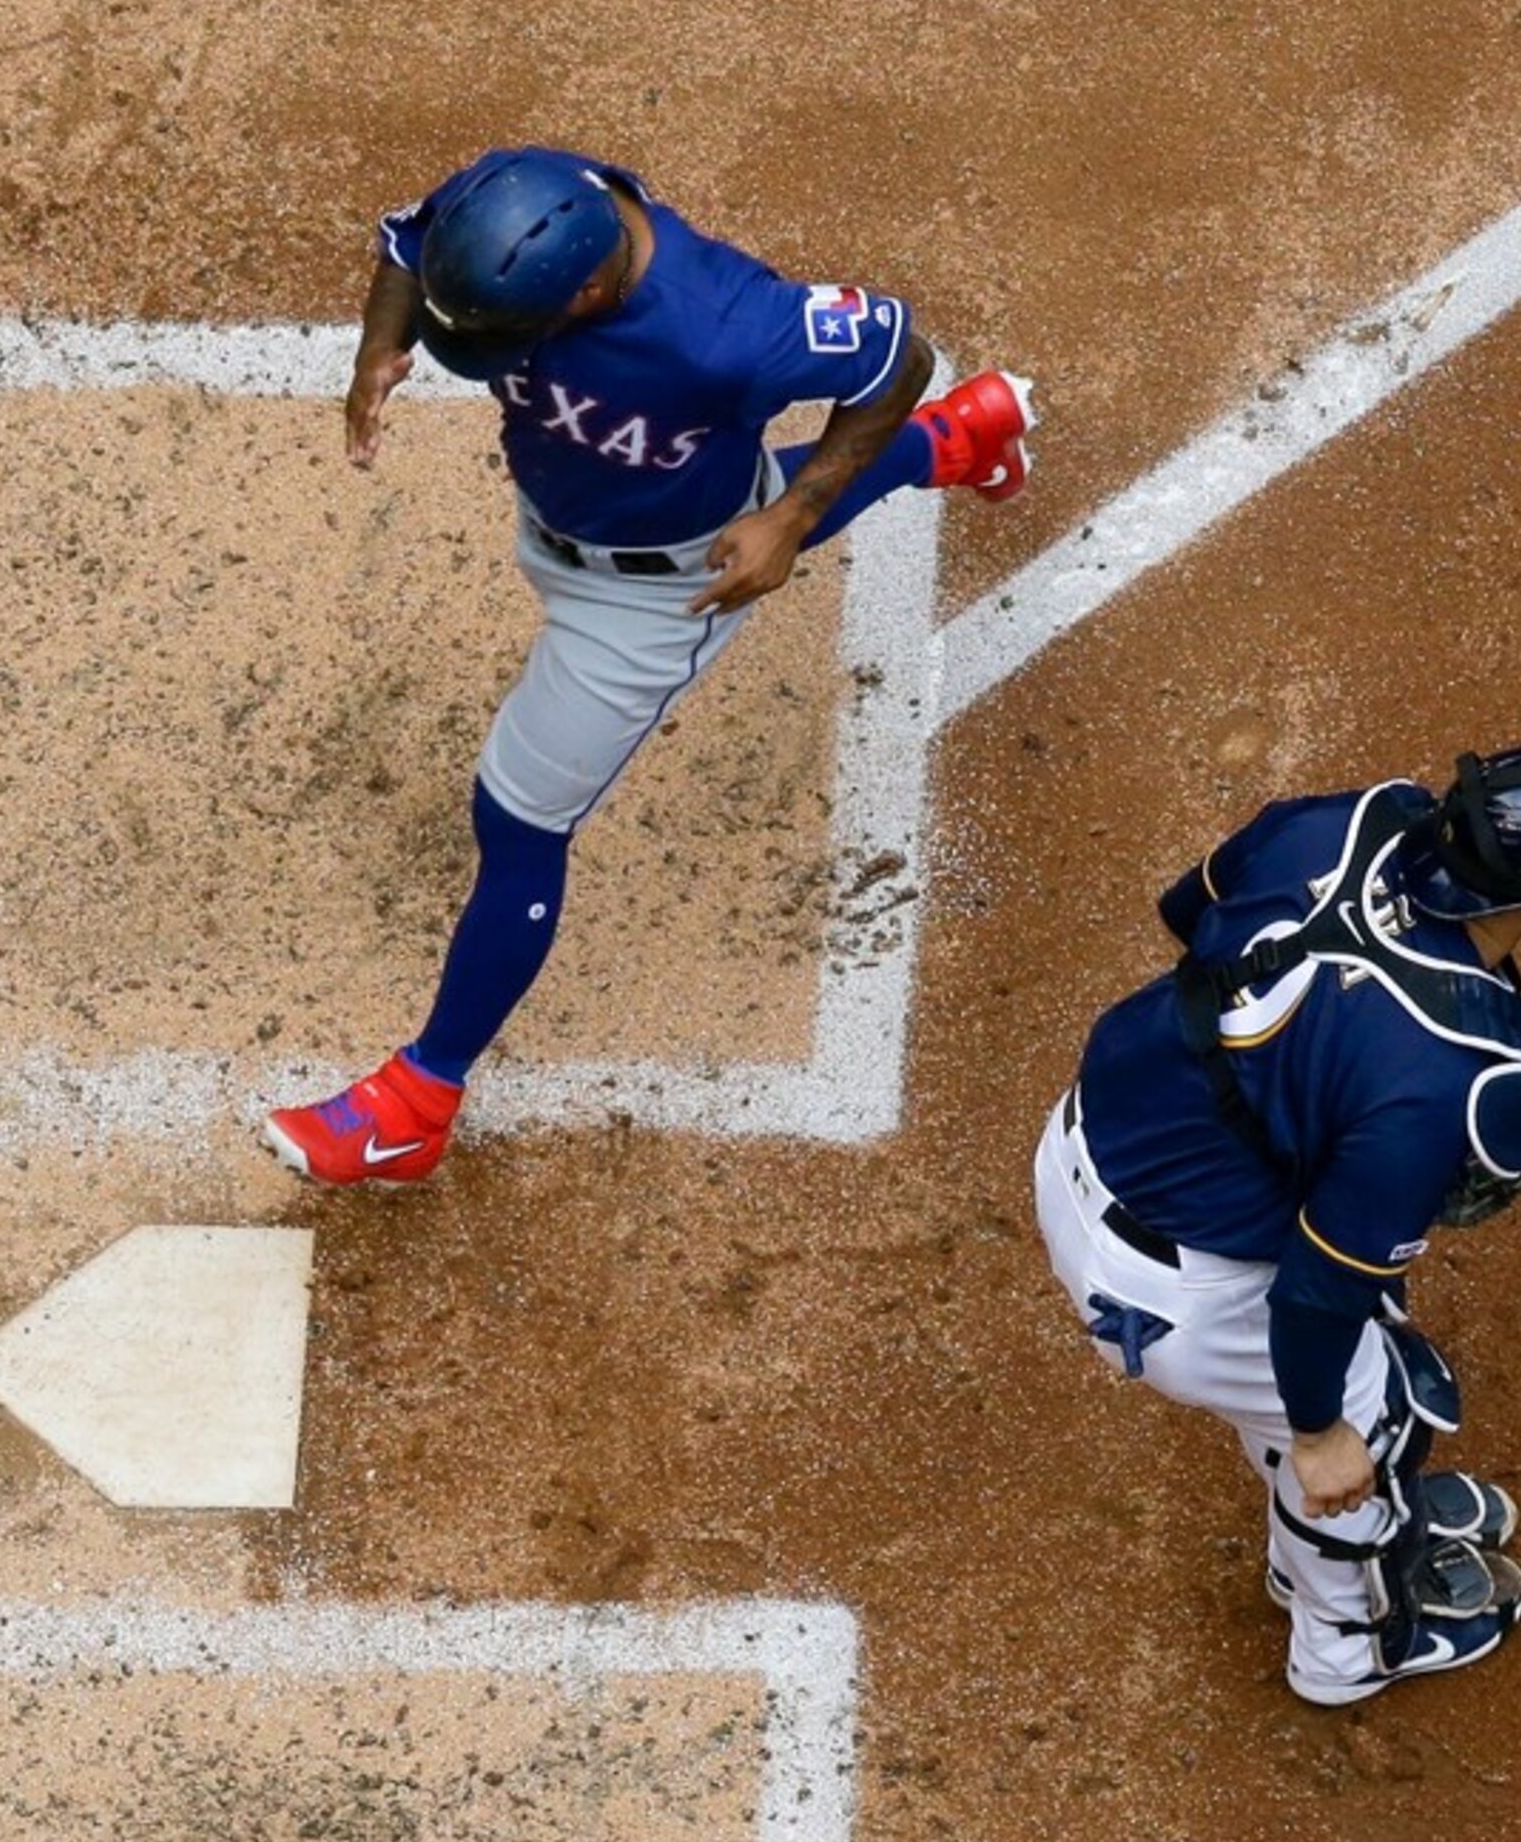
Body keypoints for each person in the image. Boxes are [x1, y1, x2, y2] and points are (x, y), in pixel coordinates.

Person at [262, 146, 1038, 1185]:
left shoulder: (729, 332)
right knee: (722, 472)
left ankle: (415, 1105)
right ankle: (963, 440)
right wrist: (379, 345)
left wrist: (790, 518)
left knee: (518, 824)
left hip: (649, 594)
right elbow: (408, 242)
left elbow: (895, 353)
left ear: (587, 287)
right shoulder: (519, 197)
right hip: (561, 514)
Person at [1030, 735, 1521, 1703]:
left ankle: (1323, 1529)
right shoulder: (1462, 1069)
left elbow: (1187, 913)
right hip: (1177, 1291)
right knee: (1370, 1417)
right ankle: (1345, 1650)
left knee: (1354, 1360)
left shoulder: (1356, 819)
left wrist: (1287, 1073)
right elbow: (1317, 1290)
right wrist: (1320, 1430)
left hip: (1091, 1135)